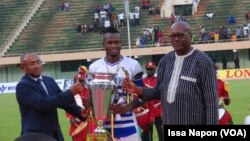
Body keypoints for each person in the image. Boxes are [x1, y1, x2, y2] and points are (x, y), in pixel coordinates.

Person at [122, 21, 219, 125]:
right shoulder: (166, 60)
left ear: (190, 36)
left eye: (180, 35)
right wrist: (137, 89)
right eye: (173, 36)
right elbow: (159, 92)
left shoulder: (204, 62)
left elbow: (212, 102)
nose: (176, 39)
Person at [88, 27, 144, 141]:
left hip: (128, 125)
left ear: (121, 43)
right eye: (110, 42)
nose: (113, 45)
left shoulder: (133, 65)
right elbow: (92, 100)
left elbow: (144, 95)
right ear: (103, 44)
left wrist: (128, 107)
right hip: (103, 125)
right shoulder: (94, 67)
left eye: (116, 42)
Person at [16, 52, 86, 141]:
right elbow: (42, 104)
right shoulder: (23, 86)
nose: (37, 66)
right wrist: (70, 93)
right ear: (23, 67)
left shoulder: (49, 81)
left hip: (55, 134)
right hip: (35, 136)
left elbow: (66, 104)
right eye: (32, 63)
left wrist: (83, 114)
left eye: (38, 62)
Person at [65, 66, 96, 141]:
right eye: (78, 80)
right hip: (76, 124)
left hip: (89, 122)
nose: (80, 82)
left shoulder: (89, 91)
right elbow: (67, 108)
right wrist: (71, 119)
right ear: (75, 81)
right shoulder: (70, 93)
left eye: (82, 81)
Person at [135, 61, 163, 141]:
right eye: (148, 69)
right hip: (147, 111)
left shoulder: (158, 81)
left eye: (151, 69)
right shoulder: (142, 81)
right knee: (147, 133)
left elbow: (162, 95)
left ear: (155, 69)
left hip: (157, 110)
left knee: (161, 133)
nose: (149, 71)